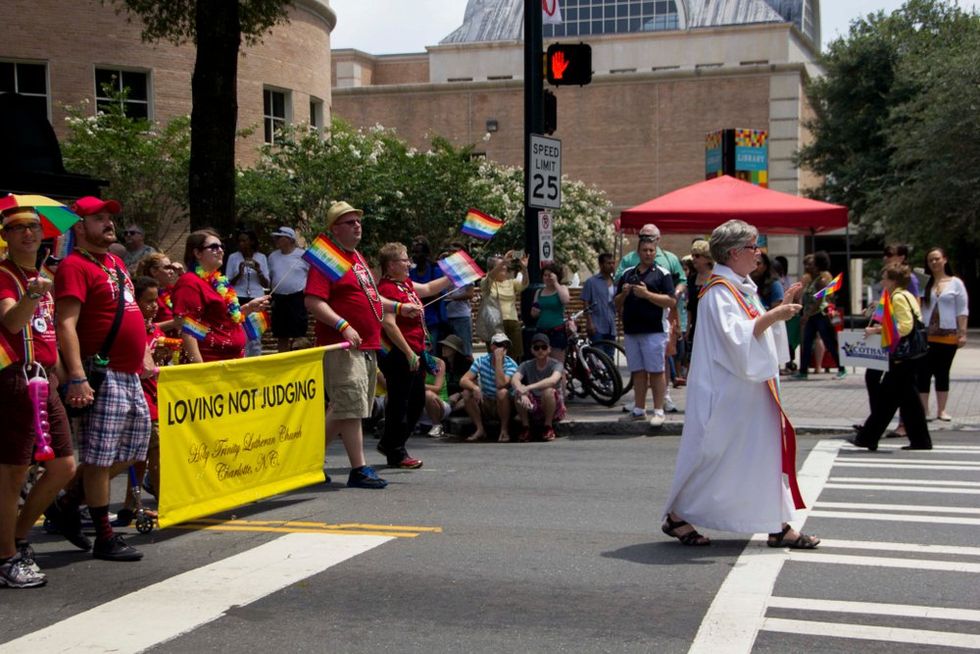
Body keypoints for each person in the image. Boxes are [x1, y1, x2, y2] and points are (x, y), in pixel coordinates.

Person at [662, 219, 817, 549]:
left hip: (749, 393)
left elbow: (752, 330)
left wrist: (777, 309)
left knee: (758, 457)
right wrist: (776, 316)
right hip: (729, 394)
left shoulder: (739, 288)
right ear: (733, 253)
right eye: (753, 246)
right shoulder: (719, 292)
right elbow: (736, 339)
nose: (758, 253)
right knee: (717, 458)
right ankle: (678, 515)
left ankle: (777, 524)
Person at [54, 196, 151, 561]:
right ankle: (104, 536)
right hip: (102, 374)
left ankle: (66, 501)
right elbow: (66, 324)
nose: (109, 223)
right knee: (98, 457)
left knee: (132, 450)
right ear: (79, 226)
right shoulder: (74, 266)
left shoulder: (113, 262)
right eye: (99, 218)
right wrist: (77, 377)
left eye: (110, 217)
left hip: (128, 374)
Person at [304, 201, 421, 488]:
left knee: (345, 407)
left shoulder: (357, 259)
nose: (357, 226)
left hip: (367, 345)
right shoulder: (328, 259)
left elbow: (371, 299)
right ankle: (359, 469)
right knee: (351, 407)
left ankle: (304, 462)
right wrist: (342, 326)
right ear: (334, 229)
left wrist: (398, 306)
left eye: (358, 221)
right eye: (349, 222)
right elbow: (312, 301)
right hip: (343, 346)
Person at [0, 207, 77, 587]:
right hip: (17, 378)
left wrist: (63, 370)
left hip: (44, 379)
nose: (27, 233)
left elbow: (48, 331)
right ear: (7, 236)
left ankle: (15, 536)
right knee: (12, 470)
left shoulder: (41, 275)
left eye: (32, 226)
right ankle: (5, 557)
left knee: (64, 466)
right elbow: (12, 322)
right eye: (17, 228)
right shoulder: (5, 275)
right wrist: (31, 295)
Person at [376, 241, 452, 469]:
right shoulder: (387, 290)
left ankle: (390, 443)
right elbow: (389, 325)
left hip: (414, 351)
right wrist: (409, 353)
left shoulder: (405, 284)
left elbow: (428, 289)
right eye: (404, 259)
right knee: (400, 403)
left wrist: (453, 276)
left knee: (416, 401)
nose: (409, 263)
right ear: (391, 266)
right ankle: (396, 451)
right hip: (400, 354)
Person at [852, 263, 932, 451]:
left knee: (887, 400)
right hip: (909, 357)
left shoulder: (898, 298)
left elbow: (905, 327)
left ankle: (867, 437)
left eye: (885, 278)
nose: (882, 281)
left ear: (894, 281)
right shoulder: (907, 296)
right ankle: (920, 440)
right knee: (909, 401)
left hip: (901, 357)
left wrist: (876, 330)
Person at [171, 229, 270, 363]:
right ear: (197, 253)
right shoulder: (189, 282)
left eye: (221, 246)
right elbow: (188, 329)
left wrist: (248, 308)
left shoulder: (217, 282)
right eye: (213, 247)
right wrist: (199, 368)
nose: (220, 250)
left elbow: (223, 320)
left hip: (230, 361)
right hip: (209, 363)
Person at [115, 275, 164, 527]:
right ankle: (163, 501)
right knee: (154, 452)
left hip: (156, 395)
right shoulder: (130, 326)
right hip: (138, 396)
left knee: (142, 457)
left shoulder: (155, 329)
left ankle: (130, 506)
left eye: (157, 300)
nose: (155, 306)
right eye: (148, 301)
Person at [615, 234, 675, 427]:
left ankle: (658, 410)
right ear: (638, 252)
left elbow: (671, 301)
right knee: (638, 372)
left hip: (654, 330)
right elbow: (616, 303)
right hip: (632, 330)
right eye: (644, 250)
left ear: (655, 253)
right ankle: (639, 409)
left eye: (651, 250)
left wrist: (647, 294)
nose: (648, 254)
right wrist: (624, 294)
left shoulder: (662, 273)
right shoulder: (627, 274)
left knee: (656, 371)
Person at [918, 247, 969, 421]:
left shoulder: (956, 283)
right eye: (930, 260)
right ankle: (924, 410)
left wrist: (962, 333)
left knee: (942, 372)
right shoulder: (924, 282)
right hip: (925, 335)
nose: (934, 262)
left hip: (948, 335)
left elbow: (962, 309)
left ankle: (942, 410)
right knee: (923, 373)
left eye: (937, 259)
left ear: (944, 260)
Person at [795, 251, 846, 380]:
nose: (807, 267)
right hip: (812, 316)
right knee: (806, 343)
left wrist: (807, 315)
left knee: (830, 343)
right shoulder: (812, 281)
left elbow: (819, 300)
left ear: (817, 266)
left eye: (811, 265)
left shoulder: (821, 281)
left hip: (820, 316)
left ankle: (842, 368)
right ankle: (803, 371)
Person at [460, 332, 518, 442]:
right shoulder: (482, 361)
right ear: (492, 346)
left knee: (502, 392)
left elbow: (501, 384)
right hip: (486, 401)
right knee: (467, 392)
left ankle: (504, 430)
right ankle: (480, 429)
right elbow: (463, 380)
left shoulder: (511, 364)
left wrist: (499, 361)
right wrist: (475, 388)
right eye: (499, 345)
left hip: (503, 403)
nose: (503, 348)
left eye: (505, 345)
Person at [511, 333, 565, 442]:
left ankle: (548, 427)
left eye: (544, 347)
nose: (540, 350)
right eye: (536, 347)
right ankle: (526, 427)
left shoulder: (557, 364)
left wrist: (528, 387)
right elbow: (515, 379)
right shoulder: (526, 364)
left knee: (548, 391)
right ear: (532, 350)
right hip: (534, 404)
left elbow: (553, 380)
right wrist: (522, 392)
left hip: (553, 405)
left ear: (549, 349)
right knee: (518, 392)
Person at [226, 230, 270, 357]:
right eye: (240, 241)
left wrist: (258, 270)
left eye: (244, 241)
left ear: (252, 242)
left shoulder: (261, 257)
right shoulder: (233, 257)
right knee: (239, 331)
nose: (242, 244)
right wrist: (239, 272)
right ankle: (241, 357)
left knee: (255, 334)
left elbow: (266, 284)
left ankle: (256, 358)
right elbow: (228, 283)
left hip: (257, 298)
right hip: (238, 297)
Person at [268, 226, 310, 353]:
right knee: (281, 334)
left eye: (279, 237)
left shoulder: (303, 255)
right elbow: (270, 276)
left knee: (299, 333)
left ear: (289, 239)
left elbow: (312, 274)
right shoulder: (272, 257)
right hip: (278, 298)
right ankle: (282, 360)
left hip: (297, 297)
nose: (276, 240)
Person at [482, 251, 529, 359]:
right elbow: (490, 277)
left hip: (512, 322)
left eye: (505, 267)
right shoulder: (487, 282)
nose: (504, 269)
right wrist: (503, 261)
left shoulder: (511, 282)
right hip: (494, 324)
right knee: (496, 357)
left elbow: (524, 284)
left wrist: (524, 269)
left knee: (515, 357)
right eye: (500, 267)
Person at [409, 237, 448, 352]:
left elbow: (438, 294)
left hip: (433, 322)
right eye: (413, 252)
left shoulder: (435, 271)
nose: (414, 255)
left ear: (425, 253)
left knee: (432, 353)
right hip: (415, 322)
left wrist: (420, 295)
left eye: (417, 252)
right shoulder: (410, 274)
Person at [529, 263, 570, 364]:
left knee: (557, 364)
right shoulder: (539, 292)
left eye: (550, 275)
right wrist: (534, 312)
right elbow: (534, 313)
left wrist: (556, 283)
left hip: (556, 331)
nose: (547, 278)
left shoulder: (562, 288)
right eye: (545, 275)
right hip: (541, 331)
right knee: (542, 363)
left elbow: (565, 300)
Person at [580, 252, 618, 358]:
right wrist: (589, 322)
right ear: (601, 265)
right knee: (599, 356)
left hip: (611, 325)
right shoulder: (591, 282)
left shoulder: (616, 282)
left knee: (610, 356)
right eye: (608, 263)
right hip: (597, 325)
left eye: (613, 263)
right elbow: (586, 302)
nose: (611, 266)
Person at [442, 242, 476, 356]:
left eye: (456, 252)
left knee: (465, 350)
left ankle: (470, 373)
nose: (452, 254)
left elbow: (470, 293)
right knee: (449, 352)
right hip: (446, 315)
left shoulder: (467, 270)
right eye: (451, 251)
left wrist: (451, 298)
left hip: (461, 316)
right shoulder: (445, 269)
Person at [136, 253, 179, 335]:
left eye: (172, 268)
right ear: (154, 271)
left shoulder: (170, 290)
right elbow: (144, 327)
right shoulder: (145, 295)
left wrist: (182, 273)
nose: (172, 271)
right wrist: (177, 322)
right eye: (167, 268)